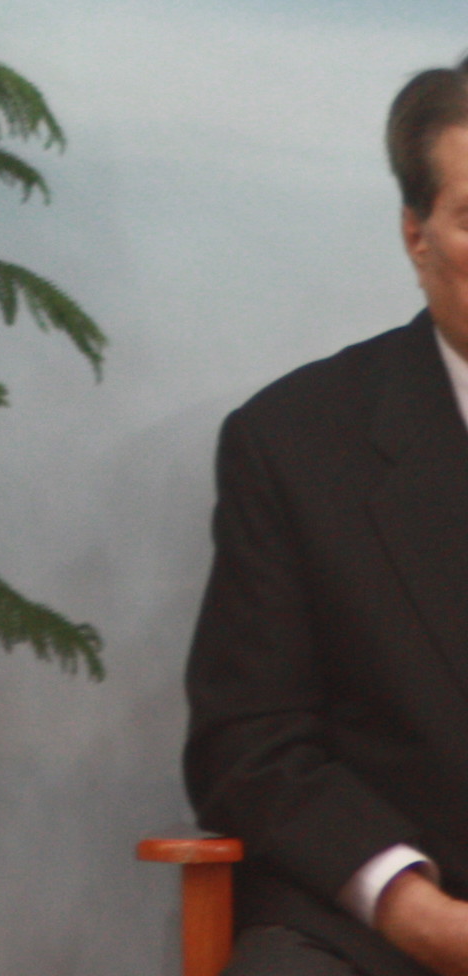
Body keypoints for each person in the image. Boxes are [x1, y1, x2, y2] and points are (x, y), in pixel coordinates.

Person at [185, 54, 468, 975]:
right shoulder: (295, 443)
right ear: (417, 235)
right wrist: (416, 914)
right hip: (387, 930)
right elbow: (251, 742)